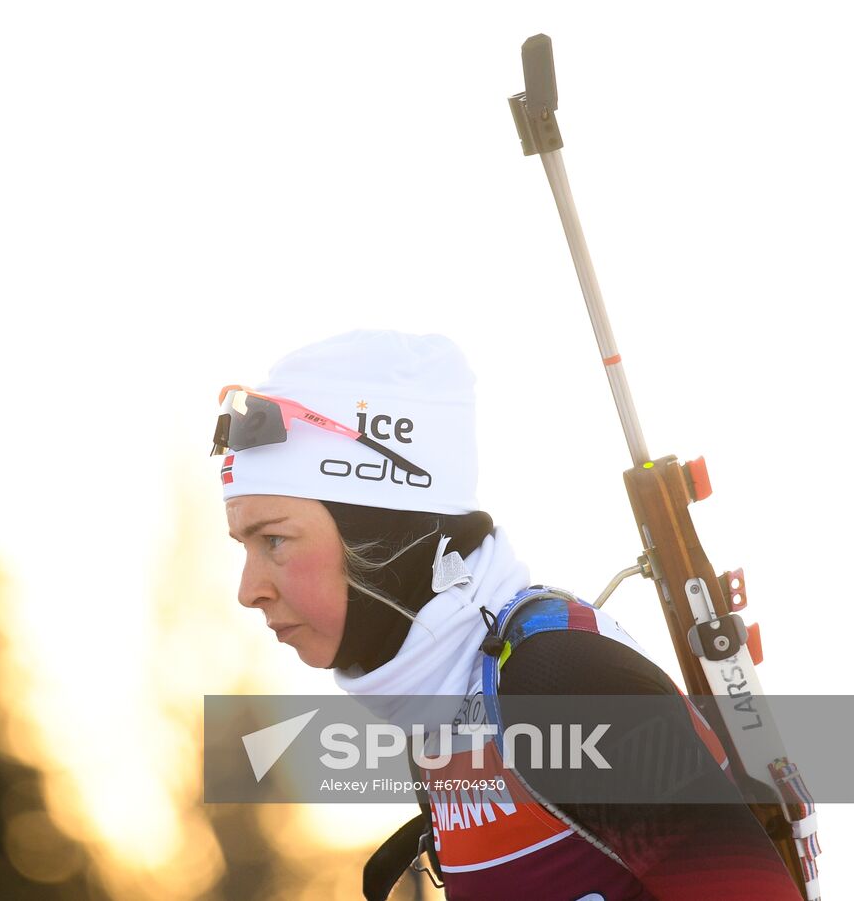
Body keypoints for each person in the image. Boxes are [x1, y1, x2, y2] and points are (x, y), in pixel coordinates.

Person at [213, 330, 802, 900]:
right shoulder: (447, 703)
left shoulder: (557, 686)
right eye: (245, 545)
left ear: (381, 528)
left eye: (274, 541)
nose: (249, 589)